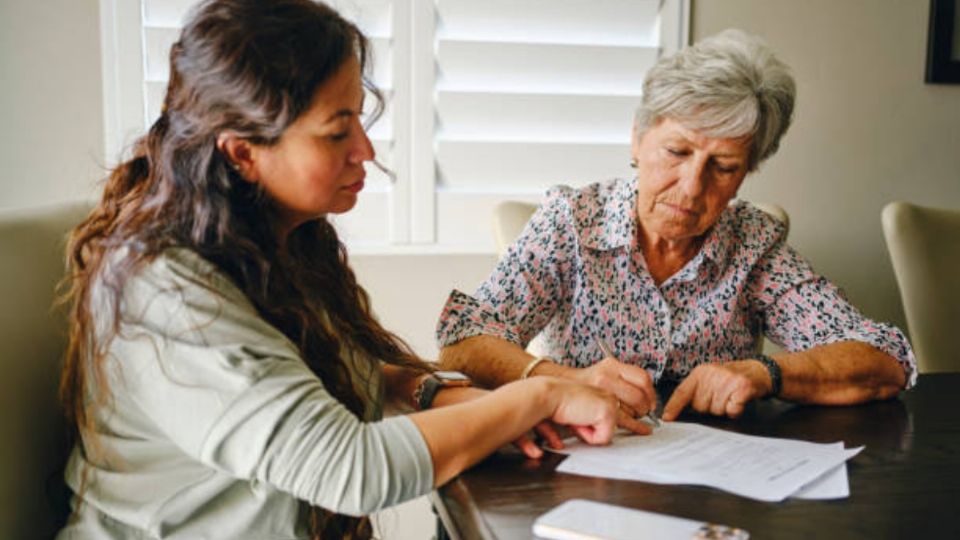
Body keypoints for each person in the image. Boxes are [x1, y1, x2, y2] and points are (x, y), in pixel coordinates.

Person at [55, 2, 646, 539]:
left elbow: (340, 373)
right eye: (338, 131)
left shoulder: (272, 241)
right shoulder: (167, 293)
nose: (365, 150)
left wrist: (438, 392)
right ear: (242, 153)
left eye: (360, 121)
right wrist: (538, 396)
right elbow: (351, 470)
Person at [436, 29, 916, 425]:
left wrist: (765, 371)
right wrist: (563, 378)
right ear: (638, 139)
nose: (690, 188)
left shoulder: (755, 245)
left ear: (746, 173)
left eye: (723, 166)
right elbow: (463, 339)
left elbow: (884, 359)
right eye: (677, 152)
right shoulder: (573, 223)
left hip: (713, 482)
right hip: (583, 462)